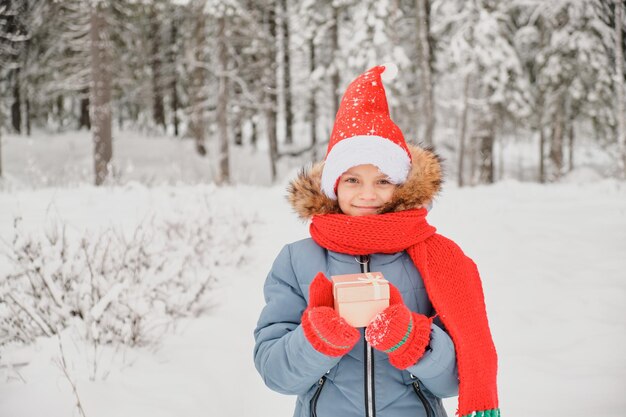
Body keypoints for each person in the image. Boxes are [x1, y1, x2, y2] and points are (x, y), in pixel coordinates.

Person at [253, 64, 499, 417]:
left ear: (401, 186)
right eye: (352, 180)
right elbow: (275, 374)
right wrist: (314, 340)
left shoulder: (435, 259)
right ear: (333, 185)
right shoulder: (296, 260)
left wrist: (415, 341)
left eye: (383, 180)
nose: (367, 194)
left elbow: (455, 381)